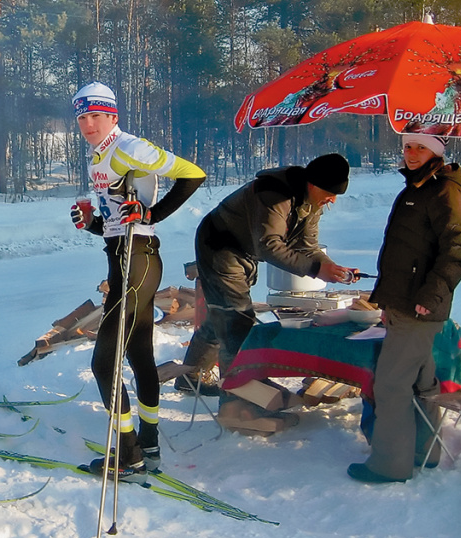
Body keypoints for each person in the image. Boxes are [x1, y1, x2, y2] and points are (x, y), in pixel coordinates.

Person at [69, 82, 205, 482]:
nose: (89, 125)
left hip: (139, 260)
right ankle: (149, 444)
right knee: (139, 355)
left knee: (103, 362)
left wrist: (152, 214)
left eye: (96, 116)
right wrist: (94, 223)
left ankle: (128, 456)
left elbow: (192, 175)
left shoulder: (128, 146)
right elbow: (118, 221)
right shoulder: (100, 155)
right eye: (82, 118)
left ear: (112, 116)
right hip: (123, 256)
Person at [178, 153, 359, 430]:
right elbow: (269, 245)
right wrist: (314, 269)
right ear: (313, 183)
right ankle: (236, 406)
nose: (332, 200)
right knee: (237, 321)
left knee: (223, 313)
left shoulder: (312, 202)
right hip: (220, 246)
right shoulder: (275, 194)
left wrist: (328, 266)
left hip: (243, 249)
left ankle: (191, 376)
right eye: (330, 193)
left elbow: (306, 245)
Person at [348, 133, 461, 483]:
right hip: (404, 303)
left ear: (436, 151)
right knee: (420, 381)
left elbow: (458, 249)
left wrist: (430, 296)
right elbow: (405, 253)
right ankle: (423, 452)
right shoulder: (417, 189)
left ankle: (389, 464)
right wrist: (387, 302)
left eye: (421, 147)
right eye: (408, 146)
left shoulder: (444, 191)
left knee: (391, 385)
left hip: (420, 306)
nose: (412, 153)